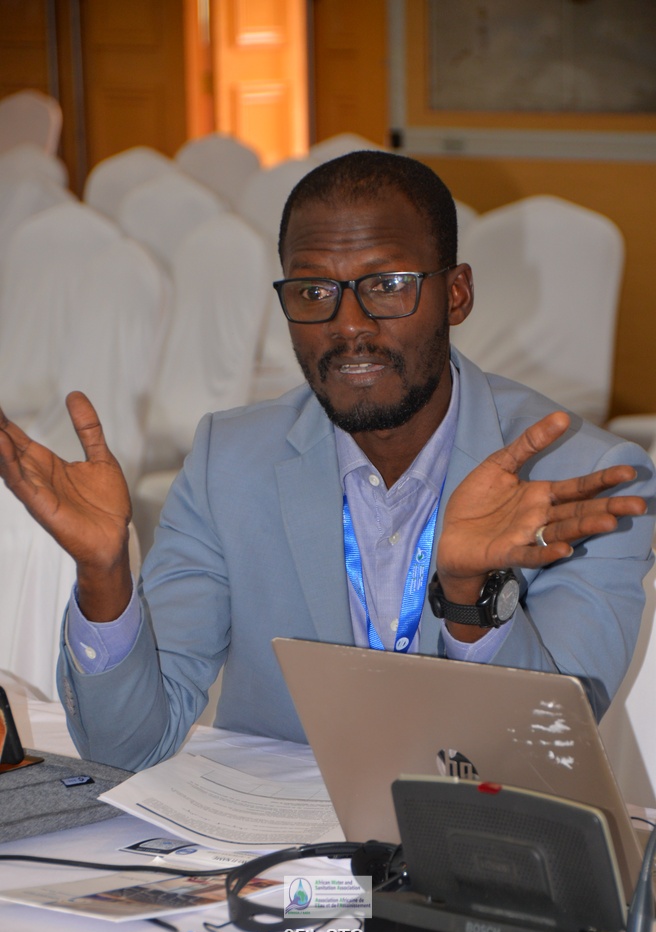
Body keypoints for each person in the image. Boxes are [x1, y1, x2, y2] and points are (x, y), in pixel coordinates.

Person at [0, 151, 653, 771]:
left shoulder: (585, 480)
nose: (348, 325)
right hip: (280, 843)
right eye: (314, 291)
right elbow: (127, 747)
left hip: (469, 837)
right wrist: (105, 575)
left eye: (387, 286)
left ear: (456, 294)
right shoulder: (231, 463)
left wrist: (468, 598)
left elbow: (543, 758)